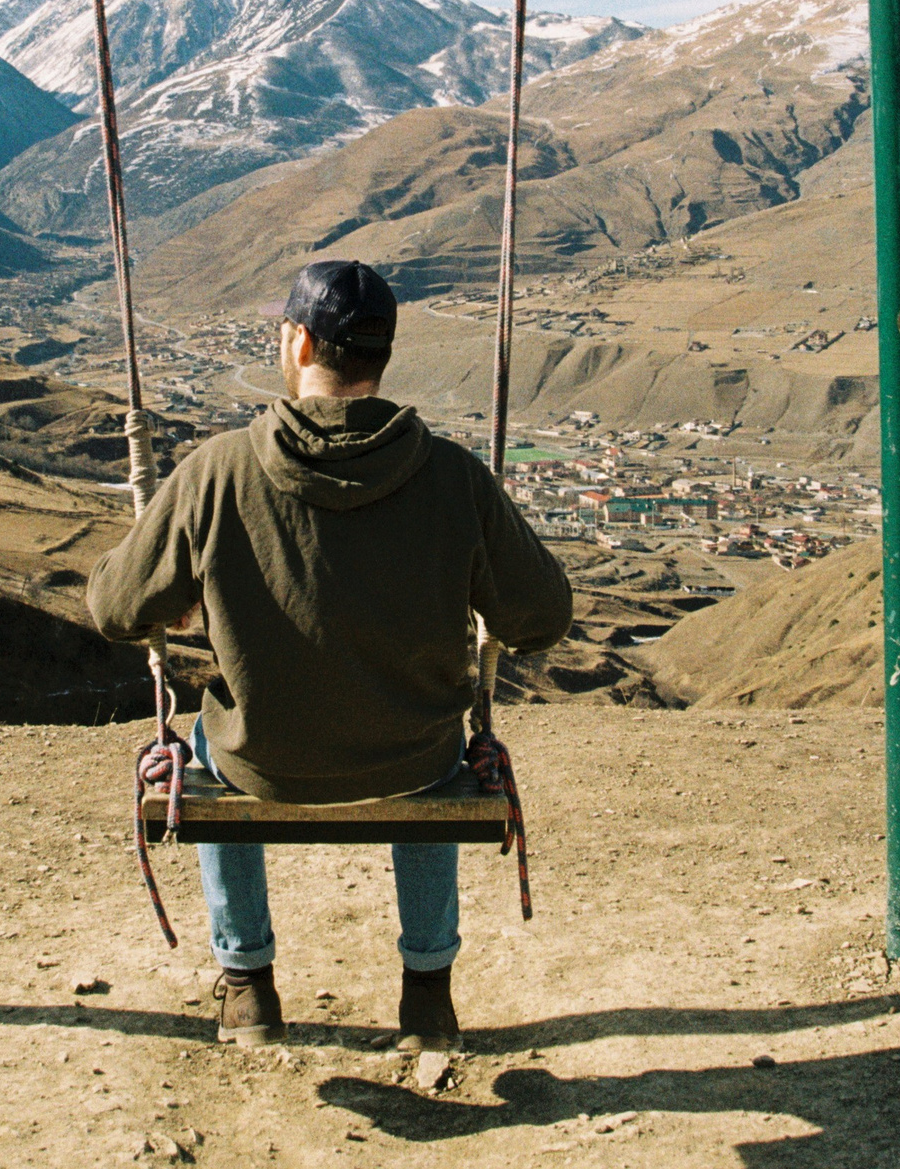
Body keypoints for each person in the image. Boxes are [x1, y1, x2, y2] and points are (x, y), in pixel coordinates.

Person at [86, 259, 573, 1050]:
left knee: (210, 735)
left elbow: (114, 607)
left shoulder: (217, 471)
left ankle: (247, 983)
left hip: (260, 758)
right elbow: (544, 615)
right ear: (383, 353)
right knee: (433, 740)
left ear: (301, 343)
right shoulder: (453, 477)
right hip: (412, 758)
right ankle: (428, 996)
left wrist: (187, 592)